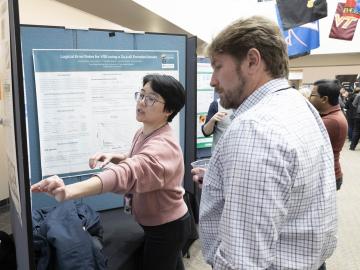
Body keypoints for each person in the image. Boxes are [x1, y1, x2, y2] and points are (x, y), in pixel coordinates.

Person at [191, 16, 336, 270]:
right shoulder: (298, 104)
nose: (212, 80)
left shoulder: (255, 129)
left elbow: (242, 262)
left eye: (217, 66)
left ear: (252, 61)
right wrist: (227, 179)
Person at [31, 74, 191, 270]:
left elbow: (128, 173)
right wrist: (115, 156)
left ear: (169, 109)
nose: (141, 102)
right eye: (141, 95)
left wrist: (68, 191)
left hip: (167, 227)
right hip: (157, 222)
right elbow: (137, 161)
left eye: (151, 99)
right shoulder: (145, 131)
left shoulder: (164, 147)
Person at [309, 79, 348, 190]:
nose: (308, 98)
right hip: (329, 174)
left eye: (312, 95)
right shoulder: (331, 115)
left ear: (324, 99)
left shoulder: (332, 121)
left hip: (328, 176)